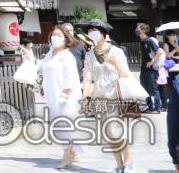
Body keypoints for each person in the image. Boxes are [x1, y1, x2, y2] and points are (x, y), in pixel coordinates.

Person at [81, 19, 134, 173]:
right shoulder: (90, 54)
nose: (92, 33)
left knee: (117, 130)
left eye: (95, 30)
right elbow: (87, 78)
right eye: (90, 30)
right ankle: (119, 165)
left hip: (115, 95)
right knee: (109, 133)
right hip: (99, 96)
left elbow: (126, 75)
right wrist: (85, 98)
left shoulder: (117, 52)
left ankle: (129, 163)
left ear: (104, 33)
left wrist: (116, 63)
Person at [40, 24, 83, 170]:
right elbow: (42, 67)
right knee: (59, 125)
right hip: (52, 94)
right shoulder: (50, 53)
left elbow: (71, 76)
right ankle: (73, 152)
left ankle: (67, 156)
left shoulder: (67, 55)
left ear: (66, 38)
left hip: (66, 96)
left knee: (65, 126)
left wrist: (65, 93)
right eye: (54, 34)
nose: (55, 37)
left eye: (59, 35)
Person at [137, 23, 163, 113]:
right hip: (144, 69)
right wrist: (141, 64)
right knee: (144, 88)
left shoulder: (149, 40)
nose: (137, 30)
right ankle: (150, 107)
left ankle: (157, 108)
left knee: (153, 88)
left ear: (143, 30)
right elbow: (142, 54)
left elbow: (159, 52)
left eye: (138, 28)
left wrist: (152, 62)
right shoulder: (142, 41)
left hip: (151, 70)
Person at [163, 30, 179, 170]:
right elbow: (168, 57)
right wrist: (175, 50)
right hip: (174, 73)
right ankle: (176, 158)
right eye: (171, 34)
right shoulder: (166, 45)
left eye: (174, 34)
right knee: (174, 119)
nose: (173, 36)